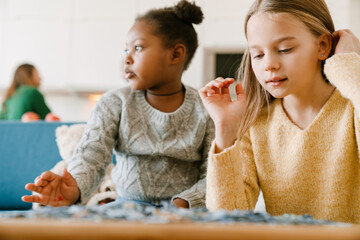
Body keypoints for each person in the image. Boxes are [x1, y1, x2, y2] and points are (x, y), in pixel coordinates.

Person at [22, 0, 214, 209]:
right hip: (125, 207)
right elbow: (90, 156)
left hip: (184, 213)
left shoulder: (206, 108)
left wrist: (181, 204)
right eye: (125, 50)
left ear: (175, 54)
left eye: (138, 48)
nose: (127, 58)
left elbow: (213, 175)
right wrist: (74, 188)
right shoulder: (114, 103)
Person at [199, 0, 360, 223]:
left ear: (322, 46)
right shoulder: (257, 123)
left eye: (285, 49)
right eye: (257, 54)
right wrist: (225, 130)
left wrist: (349, 66)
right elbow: (225, 218)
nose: (269, 64)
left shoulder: (353, 106)